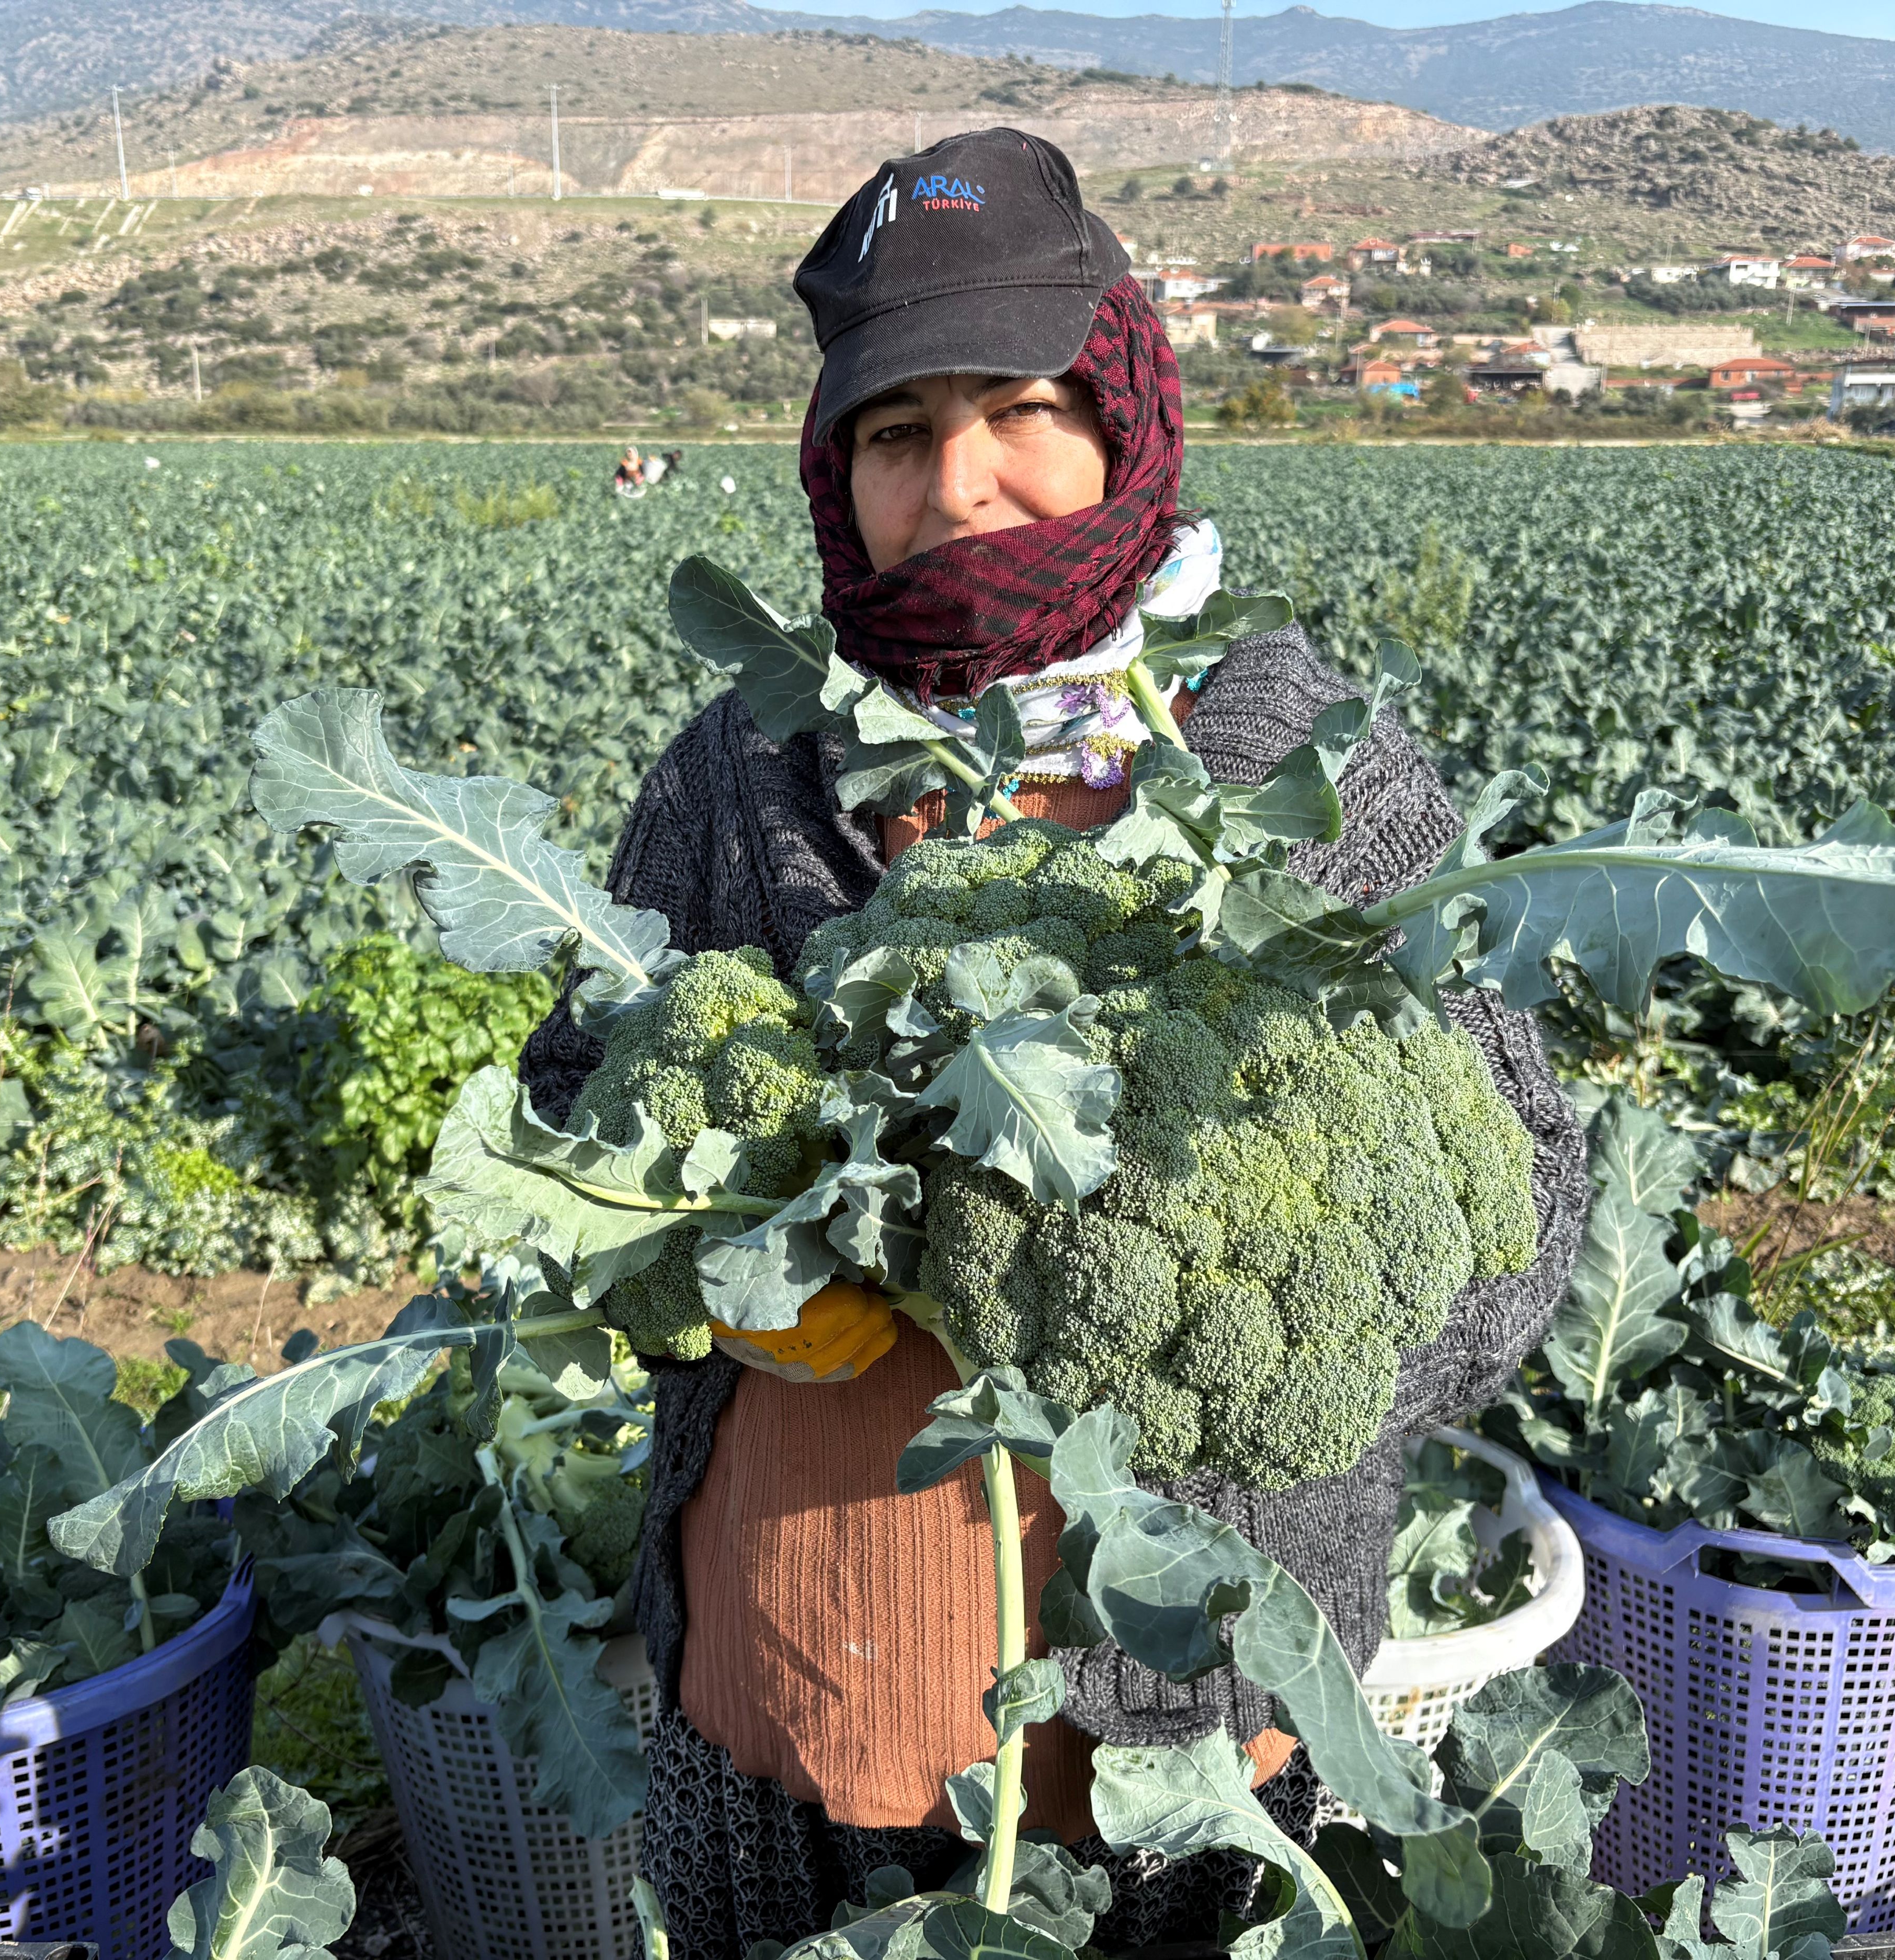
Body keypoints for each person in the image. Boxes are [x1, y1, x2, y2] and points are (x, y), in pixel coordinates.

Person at [520, 129, 1586, 1960]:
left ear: (1121, 412)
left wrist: (1264, 1339)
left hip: (1190, 1714)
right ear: (829, 467)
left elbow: (1527, 1199)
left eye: (1017, 407)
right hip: (808, 1668)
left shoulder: (1299, 762)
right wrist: (723, 1251)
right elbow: (570, 1116)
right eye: (890, 432)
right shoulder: (742, 771)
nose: (959, 485)